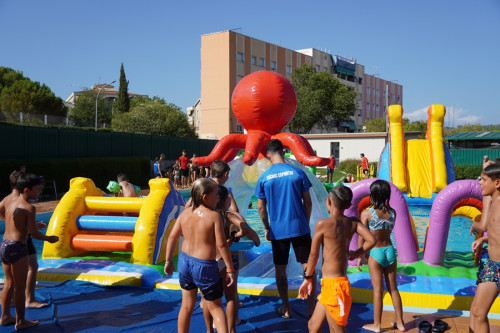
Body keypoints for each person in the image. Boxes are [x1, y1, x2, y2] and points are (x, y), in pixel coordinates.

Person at [299, 185, 376, 333]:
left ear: (328, 201)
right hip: (330, 286)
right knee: (313, 326)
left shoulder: (323, 224)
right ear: (348, 205)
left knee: (337, 330)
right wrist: (357, 252)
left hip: (335, 287)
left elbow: (313, 255)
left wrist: (307, 277)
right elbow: (371, 240)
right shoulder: (353, 222)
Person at [164, 178, 235, 333]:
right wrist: (229, 269)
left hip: (184, 262)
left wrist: (169, 260)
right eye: (216, 194)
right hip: (205, 266)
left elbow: (172, 237)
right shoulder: (214, 216)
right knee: (216, 308)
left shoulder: (185, 214)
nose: (218, 198)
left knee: (186, 306)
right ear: (205, 197)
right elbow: (222, 245)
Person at [255, 139, 315, 318]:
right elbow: (308, 202)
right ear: (284, 151)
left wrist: (266, 228)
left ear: (268, 155)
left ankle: (286, 307)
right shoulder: (298, 172)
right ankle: (312, 308)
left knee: (280, 270)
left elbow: (260, 208)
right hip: (300, 227)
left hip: (278, 230)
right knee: (308, 267)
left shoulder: (264, 177)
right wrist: (304, 221)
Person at [0, 173, 59, 330]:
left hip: (5, 244)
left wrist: (18, 226)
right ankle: (20, 321)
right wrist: (49, 238)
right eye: (38, 190)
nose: (40, 193)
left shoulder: (7, 200)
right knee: (19, 287)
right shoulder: (29, 208)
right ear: (27, 190)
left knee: (8, 283)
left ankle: (5, 316)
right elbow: (34, 233)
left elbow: (4, 216)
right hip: (18, 246)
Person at [203, 185, 260, 333]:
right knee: (230, 297)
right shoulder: (229, 216)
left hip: (208, 260)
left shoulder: (204, 215)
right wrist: (235, 237)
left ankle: (209, 330)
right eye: (228, 198)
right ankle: (231, 329)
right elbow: (249, 232)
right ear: (225, 200)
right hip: (228, 260)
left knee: (208, 298)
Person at [357, 179, 405, 332]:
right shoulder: (393, 213)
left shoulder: (367, 213)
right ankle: (401, 323)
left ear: (372, 195)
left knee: (378, 291)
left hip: (376, 253)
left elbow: (361, 236)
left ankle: (377, 325)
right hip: (390, 250)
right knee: (394, 289)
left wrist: (359, 255)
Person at [469, 162, 500, 331]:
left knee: (479, 313)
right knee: (476, 312)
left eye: (484, 179)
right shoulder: (493, 202)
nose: (480, 182)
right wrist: (483, 240)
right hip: (493, 266)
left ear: (497, 183)